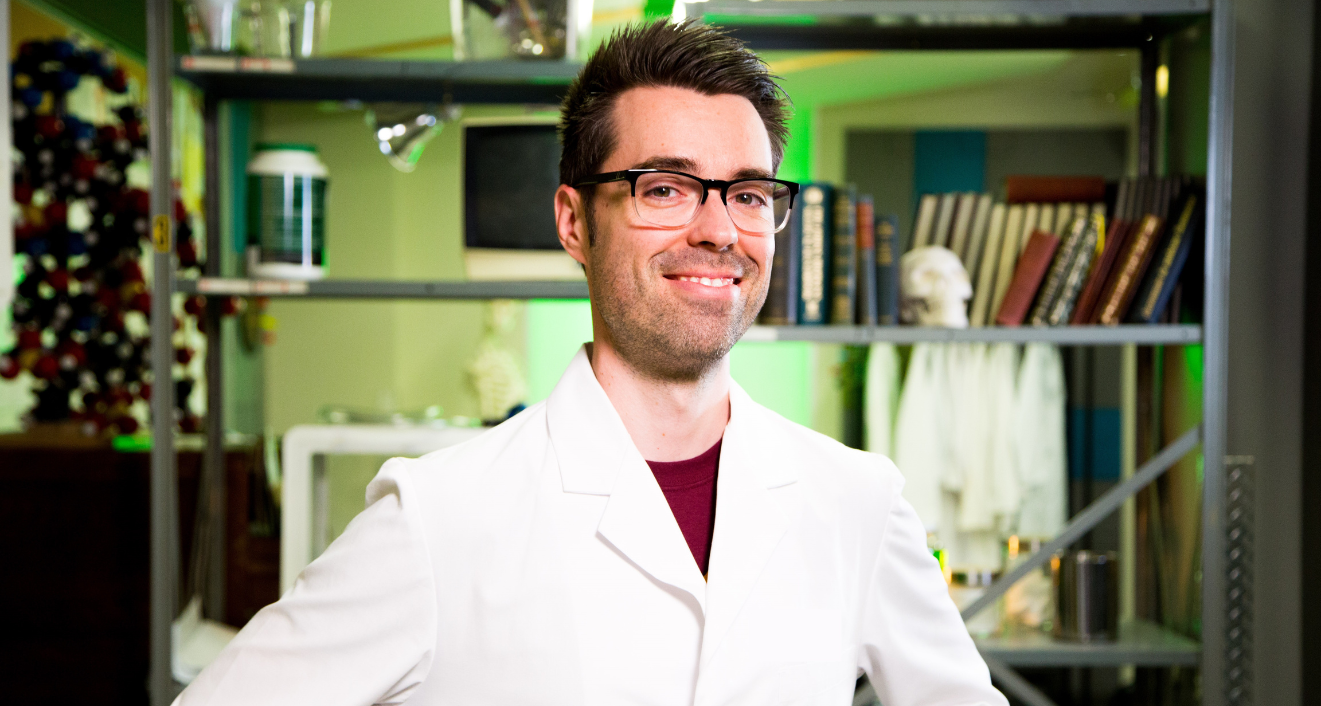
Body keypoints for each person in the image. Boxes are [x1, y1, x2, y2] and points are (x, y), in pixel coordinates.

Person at [176, 20, 1007, 706]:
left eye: (749, 193)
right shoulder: (436, 519)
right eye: (664, 188)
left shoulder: (858, 504)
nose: (719, 229)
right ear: (573, 223)